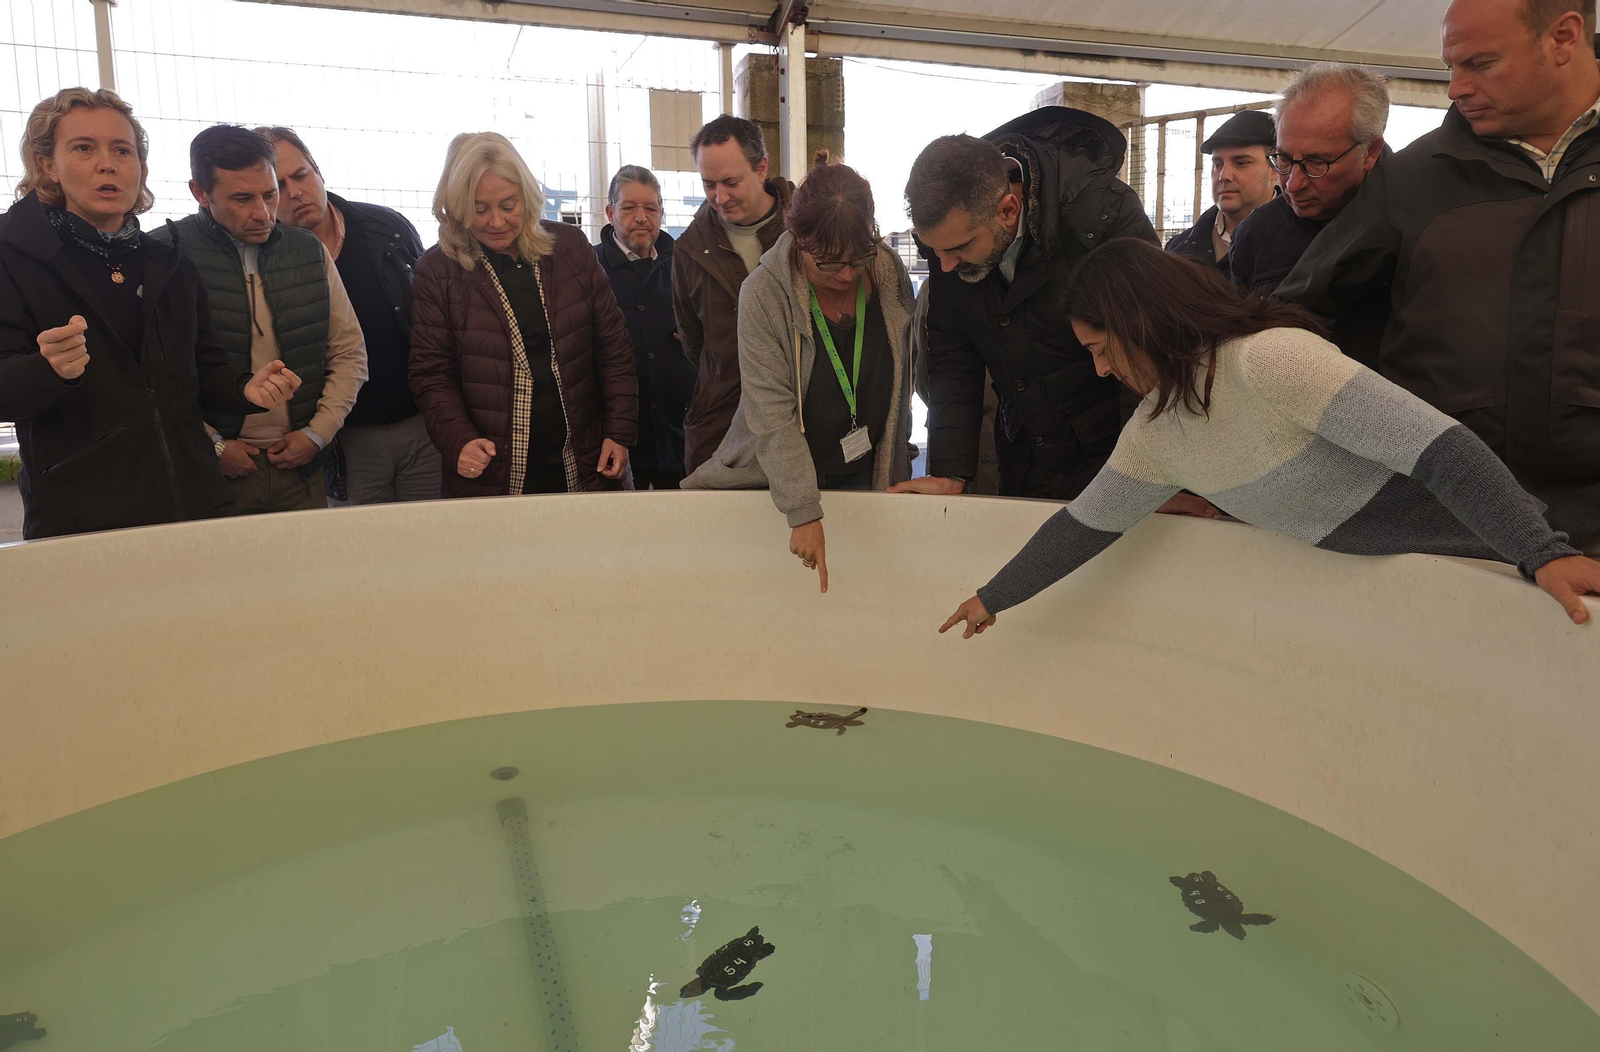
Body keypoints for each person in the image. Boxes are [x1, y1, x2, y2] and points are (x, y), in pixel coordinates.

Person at [936, 239, 1600, 641]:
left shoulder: (1274, 361)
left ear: (1144, 323)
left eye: (1103, 349)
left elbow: (1439, 448)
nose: (1102, 370)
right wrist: (993, 597)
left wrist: (1539, 552)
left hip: (1509, 554)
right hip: (1434, 590)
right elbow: (1084, 525)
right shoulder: (1155, 433)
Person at [1280, 0, 1600, 552]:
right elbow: (1293, 320)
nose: (1454, 87)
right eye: (1451, 66)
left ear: (1564, 39)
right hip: (1445, 528)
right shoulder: (1412, 180)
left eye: (1480, 63)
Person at [0, 88, 299, 540]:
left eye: (123, 150)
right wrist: (48, 371)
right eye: (83, 148)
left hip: (196, 505)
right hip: (82, 521)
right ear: (47, 164)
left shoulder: (169, 261)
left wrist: (246, 390)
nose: (108, 163)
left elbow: (205, 372)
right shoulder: (12, 255)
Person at [894, 109, 1159, 502]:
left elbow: (1147, 351)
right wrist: (950, 471)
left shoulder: (1103, 214)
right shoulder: (952, 234)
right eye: (936, 252)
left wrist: (1142, 474)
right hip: (1025, 453)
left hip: (1116, 451)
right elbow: (952, 355)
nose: (946, 266)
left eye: (960, 249)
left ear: (1008, 210)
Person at [684, 152, 916, 593]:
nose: (847, 274)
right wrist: (802, 509)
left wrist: (899, 452)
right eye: (829, 263)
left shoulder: (885, 269)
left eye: (858, 258)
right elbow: (771, 415)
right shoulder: (763, 294)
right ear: (798, 240)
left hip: (869, 470)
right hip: (783, 477)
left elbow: (904, 374)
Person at [154, 124, 367, 515]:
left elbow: (350, 353)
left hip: (303, 467)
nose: (262, 213)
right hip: (211, 473)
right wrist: (213, 445)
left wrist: (317, 435)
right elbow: (153, 379)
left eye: (270, 195)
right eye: (241, 198)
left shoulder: (309, 251)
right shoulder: (164, 256)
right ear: (200, 192)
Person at [410, 132, 637, 497]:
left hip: (584, 461)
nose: (496, 221)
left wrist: (619, 431)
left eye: (508, 205)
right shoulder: (438, 270)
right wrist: (459, 440)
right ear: (457, 207)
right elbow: (432, 374)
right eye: (479, 209)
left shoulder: (571, 248)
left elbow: (613, 348)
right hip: (493, 474)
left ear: (528, 198)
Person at [260, 126, 438, 506]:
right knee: (363, 555)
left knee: (432, 547)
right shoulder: (267, 261)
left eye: (301, 175)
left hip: (422, 425)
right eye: (279, 186)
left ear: (318, 171)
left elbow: (432, 320)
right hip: (346, 440)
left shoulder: (384, 228)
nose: (295, 193)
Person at [674, 115, 794, 472]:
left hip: (798, 421)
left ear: (761, 169)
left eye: (730, 182)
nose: (719, 197)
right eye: (708, 184)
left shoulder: (805, 233)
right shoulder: (689, 250)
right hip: (720, 427)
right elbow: (693, 342)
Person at [1229, 63, 1390, 295]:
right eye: (1283, 158)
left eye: (1316, 163)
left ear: (1370, 151)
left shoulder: (1414, 220)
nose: (1293, 185)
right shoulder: (1255, 236)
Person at [595, 164, 693, 489]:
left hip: (679, 438)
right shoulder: (589, 269)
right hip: (616, 442)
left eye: (650, 208)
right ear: (610, 212)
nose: (641, 217)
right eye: (629, 207)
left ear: (662, 213)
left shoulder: (684, 267)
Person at [1165, 110, 1279, 275]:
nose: (1224, 176)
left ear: (1276, 167)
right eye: (1217, 165)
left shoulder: (1299, 243)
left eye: (1241, 163)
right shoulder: (1178, 249)